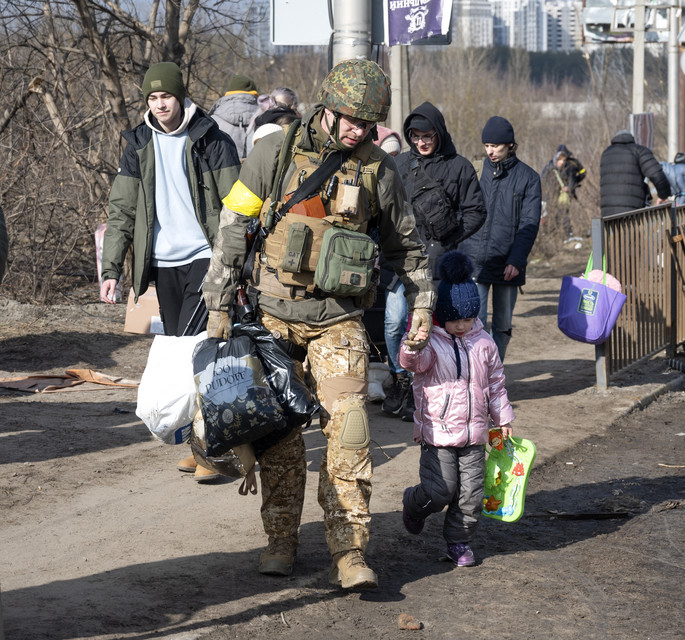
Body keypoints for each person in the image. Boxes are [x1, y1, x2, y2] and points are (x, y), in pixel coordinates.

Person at [201, 58, 435, 588]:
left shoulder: (379, 168)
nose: (359, 130)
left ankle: (350, 552)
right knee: (280, 441)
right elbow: (234, 225)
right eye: (351, 119)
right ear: (327, 108)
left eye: (369, 123)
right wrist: (218, 302)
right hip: (273, 320)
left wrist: (422, 305)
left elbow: (408, 247)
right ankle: (280, 540)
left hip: (340, 320)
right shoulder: (272, 152)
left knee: (350, 432)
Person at [100, 61, 240, 482]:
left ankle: (210, 449)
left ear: (181, 97)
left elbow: (236, 204)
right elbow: (122, 209)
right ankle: (201, 441)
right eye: (153, 98)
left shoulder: (211, 139)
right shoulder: (138, 143)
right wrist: (112, 267)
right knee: (182, 349)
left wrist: (235, 262)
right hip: (162, 262)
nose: (160, 104)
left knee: (201, 348)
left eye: (166, 96)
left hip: (206, 256)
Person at [398, 251, 515, 567]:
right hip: (438, 432)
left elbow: (496, 384)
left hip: (474, 434)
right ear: (441, 316)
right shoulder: (432, 342)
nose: (462, 326)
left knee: (471, 495)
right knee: (441, 491)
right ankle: (414, 503)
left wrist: (503, 417)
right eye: (454, 320)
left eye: (467, 319)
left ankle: (459, 543)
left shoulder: (485, 343)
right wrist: (413, 343)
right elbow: (411, 362)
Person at [383, 101, 486, 420]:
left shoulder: (460, 166)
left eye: (427, 135)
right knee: (394, 319)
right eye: (415, 136)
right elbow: (385, 207)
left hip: (442, 260)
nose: (421, 142)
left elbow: (476, 211)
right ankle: (400, 377)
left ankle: (425, 386)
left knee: (436, 325)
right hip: (404, 259)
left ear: (439, 133)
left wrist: (450, 236)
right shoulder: (400, 166)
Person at [458, 116, 541, 363]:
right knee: (474, 324)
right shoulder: (474, 171)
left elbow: (529, 224)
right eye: (486, 146)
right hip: (473, 261)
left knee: (503, 325)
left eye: (496, 146)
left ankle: (495, 373)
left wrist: (516, 260)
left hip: (508, 264)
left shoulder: (529, 178)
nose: (490, 151)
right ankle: (477, 378)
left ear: (511, 145)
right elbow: (460, 212)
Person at [599, 129, 671, 217]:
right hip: (632, 212)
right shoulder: (639, 151)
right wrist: (663, 195)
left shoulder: (606, 154)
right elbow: (656, 174)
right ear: (631, 139)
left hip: (608, 214)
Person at [208, 74, 260, 160]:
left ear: (228, 94)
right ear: (255, 94)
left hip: (223, 172)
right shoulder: (267, 119)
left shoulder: (213, 121)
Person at [541, 144, 586, 236]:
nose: (562, 162)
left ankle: (567, 234)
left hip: (563, 195)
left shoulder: (569, 166)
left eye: (563, 160)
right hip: (550, 196)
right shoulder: (549, 168)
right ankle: (551, 234)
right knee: (552, 215)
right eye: (560, 160)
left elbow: (577, 176)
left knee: (563, 213)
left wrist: (570, 187)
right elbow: (543, 181)